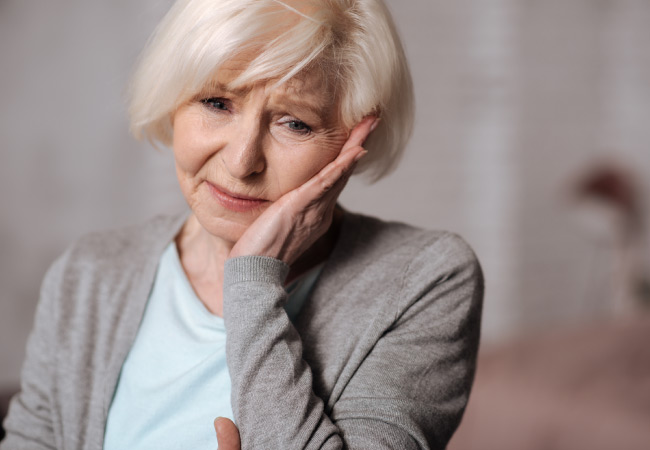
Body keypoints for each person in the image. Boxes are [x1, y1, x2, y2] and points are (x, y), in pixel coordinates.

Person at [1, 0, 483, 449]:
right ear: (173, 99)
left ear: (355, 140)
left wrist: (252, 277)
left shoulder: (426, 278)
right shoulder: (90, 272)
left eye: (295, 123)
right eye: (216, 103)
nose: (241, 161)